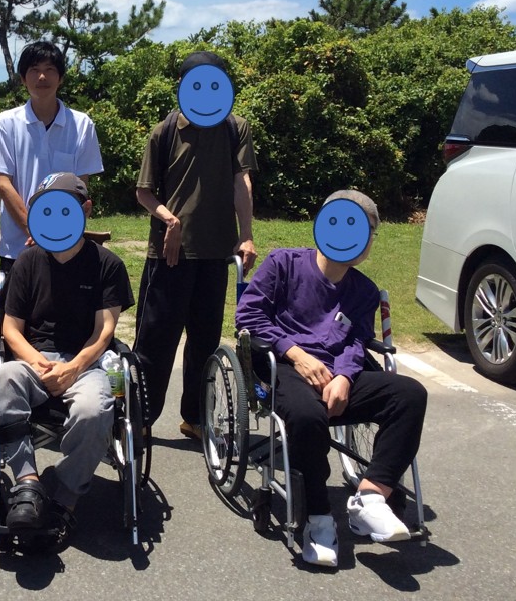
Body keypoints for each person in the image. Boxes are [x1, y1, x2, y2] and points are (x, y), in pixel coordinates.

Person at [235, 190, 428, 569]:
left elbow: (357, 341)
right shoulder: (283, 264)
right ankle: (318, 518)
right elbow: (249, 316)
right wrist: (296, 353)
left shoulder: (364, 291)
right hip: (283, 365)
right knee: (307, 416)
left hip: (336, 375)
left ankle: (370, 497)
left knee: (410, 394)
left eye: (365, 232)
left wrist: (344, 377)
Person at [0, 173, 133, 541]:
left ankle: (64, 496)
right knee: (5, 380)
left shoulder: (107, 265)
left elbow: (104, 332)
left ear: (86, 209)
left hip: (86, 362)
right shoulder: (27, 262)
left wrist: (72, 368)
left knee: (94, 410)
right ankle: (28, 483)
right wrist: (40, 364)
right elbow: (10, 329)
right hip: (34, 358)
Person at [133, 50, 257, 438]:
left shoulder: (235, 127)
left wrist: (246, 234)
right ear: (182, 87)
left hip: (216, 252)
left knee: (205, 342)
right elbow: (143, 193)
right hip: (169, 254)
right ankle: (139, 420)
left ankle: (196, 417)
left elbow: (241, 182)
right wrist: (169, 219)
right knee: (156, 341)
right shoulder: (165, 131)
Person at [0, 41, 103, 320]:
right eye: (34, 70)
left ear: (61, 77)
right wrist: (34, 228)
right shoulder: (5, 124)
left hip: (67, 245)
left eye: (50, 69)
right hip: (17, 246)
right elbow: (3, 184)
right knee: (13, 324)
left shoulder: (82, 125)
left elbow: (81, 186)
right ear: (23, 78)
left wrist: (53, 230)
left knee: (65, 325)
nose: (42, 77)